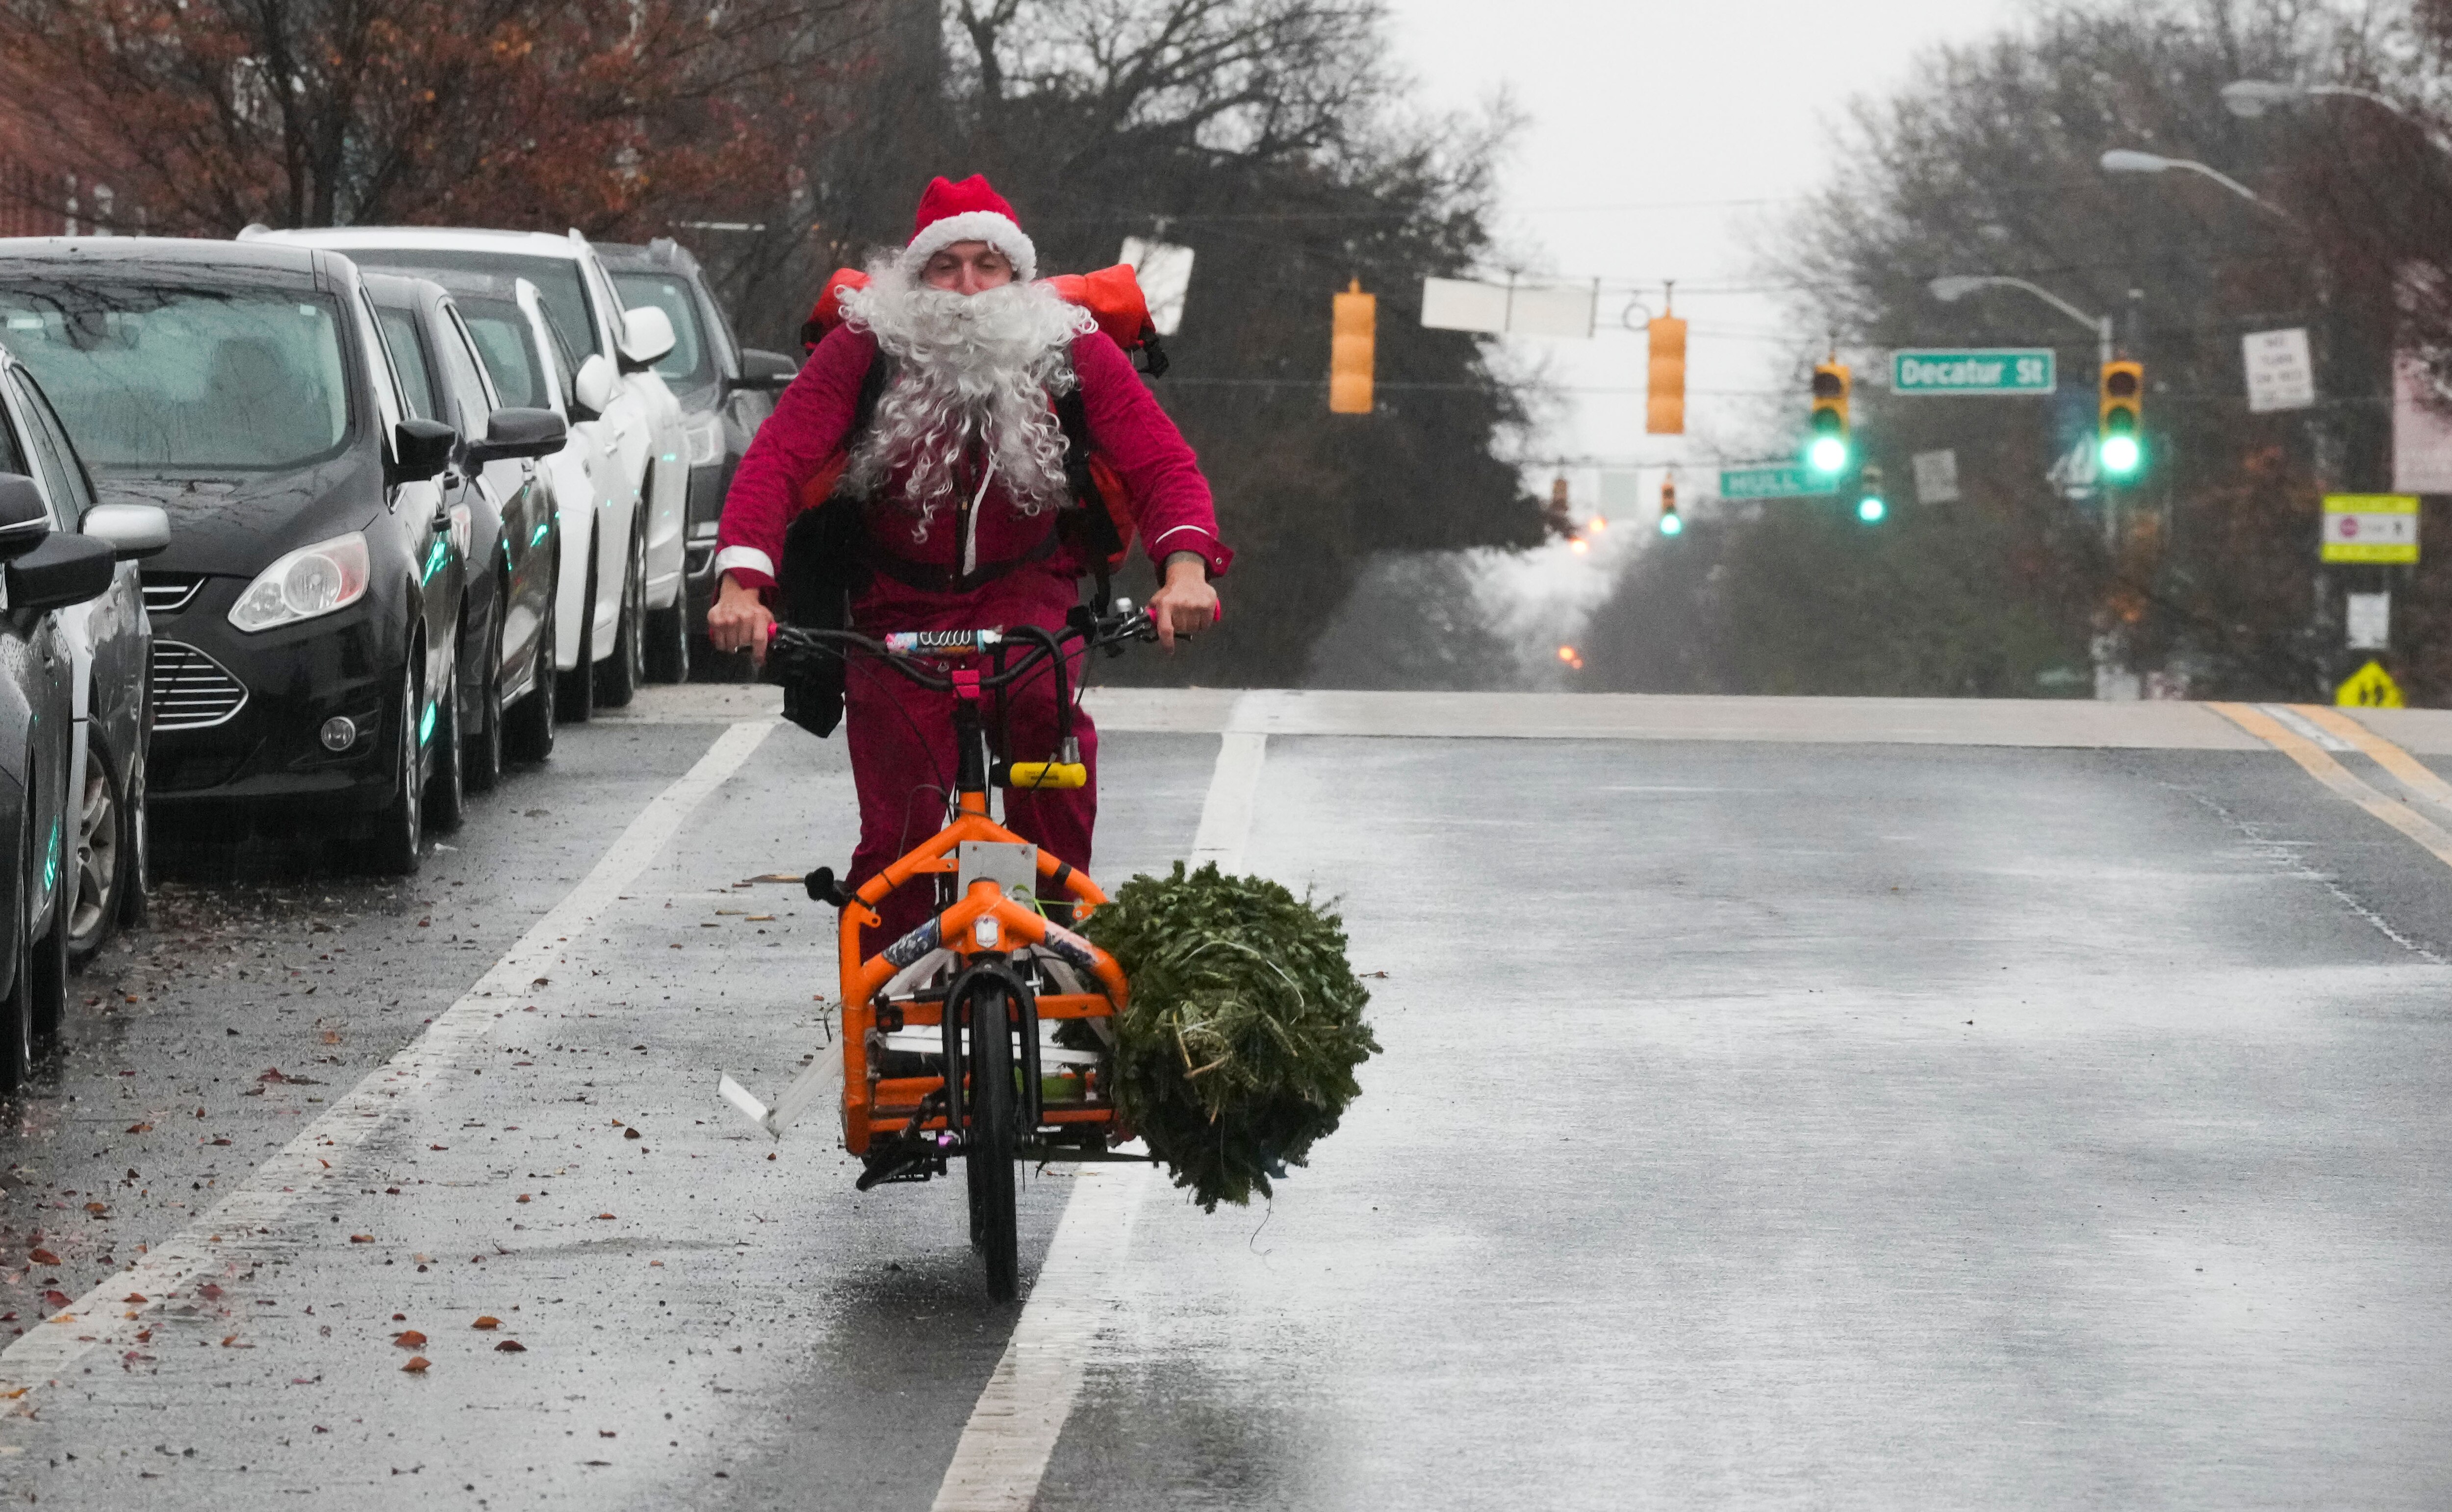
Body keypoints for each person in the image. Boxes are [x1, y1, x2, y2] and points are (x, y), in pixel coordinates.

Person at [707, 174, 1229, 946]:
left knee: (1052, 762)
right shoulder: (867, 345)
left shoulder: (1069, 346)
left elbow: (1162, 464)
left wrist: (1185, 573)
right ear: (913, 280)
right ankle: (895, 1010)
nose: (967, 289)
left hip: (1030, 600)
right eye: (945, 268)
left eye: (988, 266)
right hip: (897, 608)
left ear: (1019, 278)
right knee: (904, 832)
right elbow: (777, 459)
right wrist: (741, 586)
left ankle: (1057, 950)